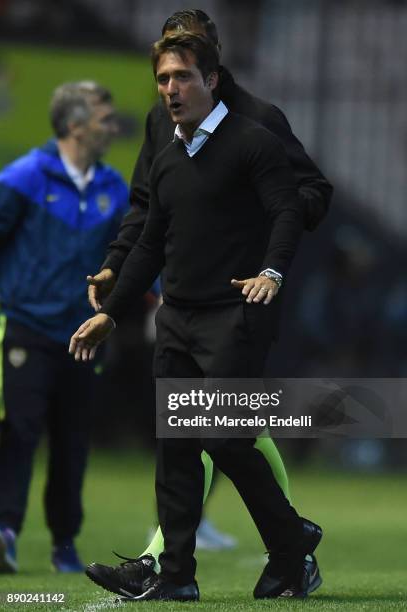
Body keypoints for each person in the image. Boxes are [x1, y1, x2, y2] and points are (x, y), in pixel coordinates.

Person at [83, 9, 331, 599]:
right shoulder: (167, 145)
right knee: (181, 447)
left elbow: (301, 199)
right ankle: (177, 577)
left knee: (225, 438)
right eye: (163, 76)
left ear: (212, 70)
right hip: (178, 312)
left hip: (238, 309)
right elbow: (148, 222)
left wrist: (269, 254)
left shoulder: (258, 131)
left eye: (183, 74)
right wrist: (114, 294)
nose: (171, 88)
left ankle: (291, 545)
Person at [0, 81, 128, 573]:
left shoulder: (113, 188)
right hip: (26, 327)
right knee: (19, 431)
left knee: (72, 441)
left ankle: (64, 543)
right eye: (103, 117)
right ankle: (5, 531)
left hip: (84, 335)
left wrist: (157, 293)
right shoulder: (25, 177)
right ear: (75, 124)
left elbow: (136, 249)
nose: (113, 127)